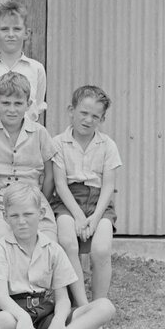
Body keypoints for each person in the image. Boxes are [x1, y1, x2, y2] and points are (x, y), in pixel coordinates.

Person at [0, 184, 115, 329]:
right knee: (1, 322)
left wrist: (58, 322)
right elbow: (1, 296)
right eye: (14, 216)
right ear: (5, 217)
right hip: (14, 313)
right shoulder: (0, 249)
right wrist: (23, 318)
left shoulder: (53, 249)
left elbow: (63, 299)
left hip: (45, 312)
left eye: (28, 214)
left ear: (41, 214)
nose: (22, 221)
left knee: (105, 307)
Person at [52, 85, 122, 304]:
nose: (88, 120)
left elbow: (109, 186)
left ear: (102, 119)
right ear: (71, 110)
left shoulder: (107, 145)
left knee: (101, 250)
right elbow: (61, 184)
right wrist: (79, 217)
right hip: (68, 201)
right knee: (67, 242)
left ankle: (99, 304)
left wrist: (94, 218)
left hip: (99, 202)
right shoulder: (58, 143)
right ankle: (82, 305)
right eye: (83, 113)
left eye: (95, 116)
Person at [0, 72, 57, 247]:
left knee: (48, 243)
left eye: (18, 104)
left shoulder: (39, 132)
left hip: (33, 196)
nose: (11, 109)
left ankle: (38, 273)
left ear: (28, 105)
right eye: (5, 103)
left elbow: (50, 175)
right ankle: (9, 274)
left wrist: (41, 197)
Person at [0, 0, 47, 124]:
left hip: (26, 137)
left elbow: (37, 110)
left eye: (17, 29)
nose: (11, 34)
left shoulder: (36, 69)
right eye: (4, 29)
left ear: (26, 33)